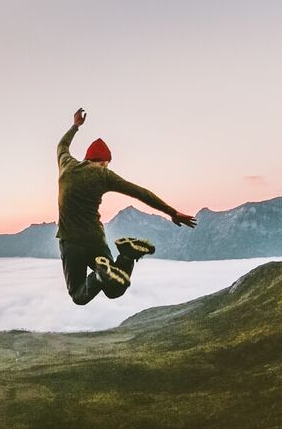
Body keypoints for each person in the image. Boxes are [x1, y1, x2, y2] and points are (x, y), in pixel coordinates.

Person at [57, 107, 196, 305]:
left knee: (78, 295)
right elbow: (141, 193)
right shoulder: (104, 174)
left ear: (87, 157)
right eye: (107, 164)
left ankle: (99, 275)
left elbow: (62, 145)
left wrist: (75, 126)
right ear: (104, 162)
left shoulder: (66, 165)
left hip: (70, 241)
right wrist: (172, 213)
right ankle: (127, 255)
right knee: (114, 290)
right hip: (94, 238)